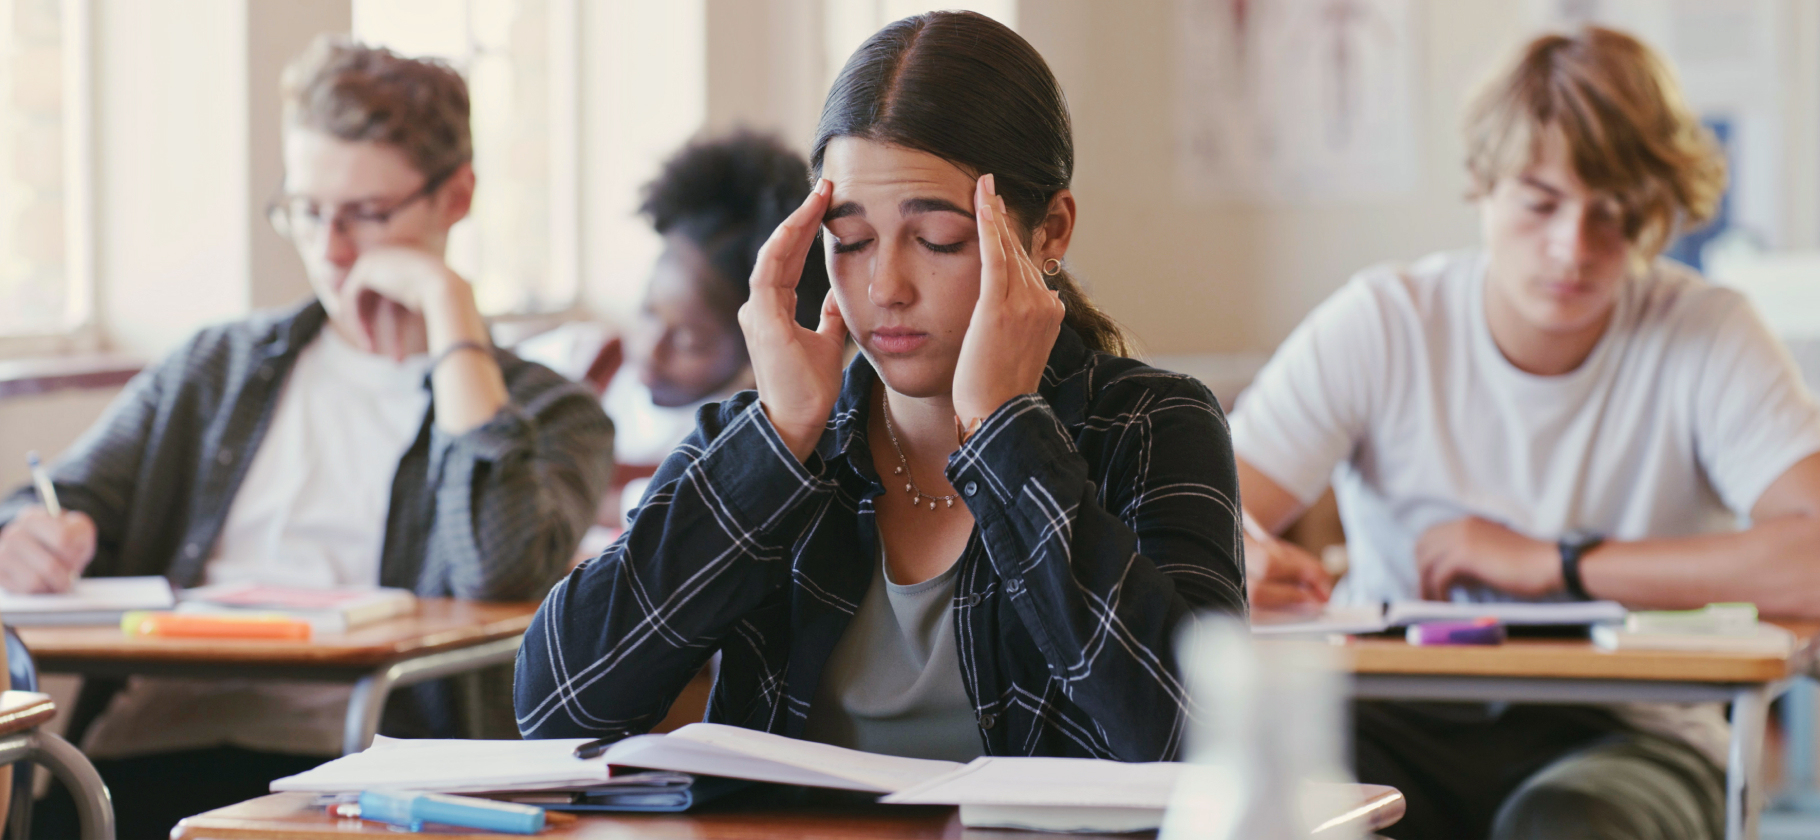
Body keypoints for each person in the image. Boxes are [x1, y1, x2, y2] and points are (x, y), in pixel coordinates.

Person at [515, 10, 1245, 762]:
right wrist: (779, 441)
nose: (887, 287)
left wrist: (1006, 432)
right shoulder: (775, 438)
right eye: (852, 241)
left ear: (1050, 231)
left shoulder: (1153, 425)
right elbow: (558, 704)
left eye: (939, 240)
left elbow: (1197, 743)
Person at [0, 37, 613, 838]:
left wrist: (448, 308)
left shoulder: (551, 410)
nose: (330, 249)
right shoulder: (218, 367)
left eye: (366, 214)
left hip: (368, 771)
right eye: (307, 211)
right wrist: (31, 533)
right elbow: (64, 498)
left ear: (455, 196)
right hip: (150, 754)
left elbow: (501, 568)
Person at [1231, 27, 1820, 840]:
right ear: (1484, 183)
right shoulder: (1385, 322)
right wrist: (1235, 547)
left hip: (1637, 736)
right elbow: (1197, 508)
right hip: (1398, 717)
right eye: (1541, 203)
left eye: (1614, 214)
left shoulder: (1706, 332)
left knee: (1566, 822)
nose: (1573, 249)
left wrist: (1553, 564)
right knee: (1289, 806)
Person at [517, 131, 831, 526]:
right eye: (648, 311)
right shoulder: (580, 359)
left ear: (751, 350)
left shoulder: (744, 438)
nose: (651, 347)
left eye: (689, 341)